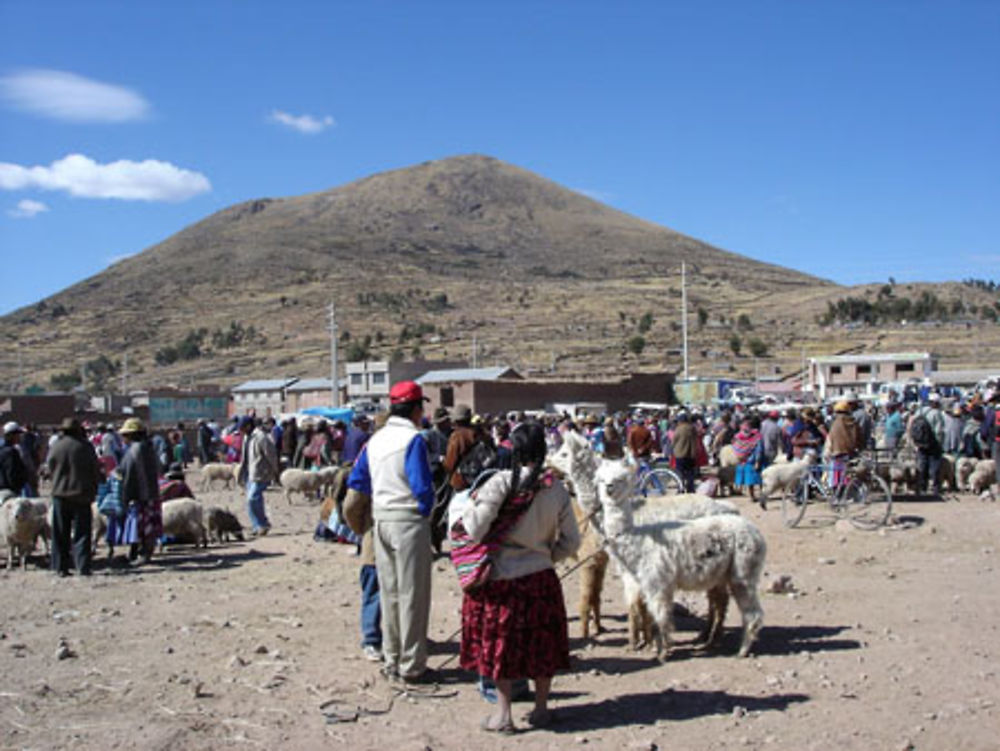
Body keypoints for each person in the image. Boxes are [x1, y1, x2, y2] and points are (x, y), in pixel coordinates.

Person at [459, 421, 581, 733]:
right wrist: (544, 556)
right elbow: (571, 541)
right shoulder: (555, 488)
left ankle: (504, 714)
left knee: (501, 647)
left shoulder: (500, 483)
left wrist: (467, 510)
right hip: (540, 578)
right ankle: (541, 709)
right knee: (542, 644)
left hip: (501, 580)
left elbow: (474, 529)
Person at [346, 380, 437, 684]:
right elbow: (422, 487)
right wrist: (425, 512)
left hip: (380, 519)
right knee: (413, 594)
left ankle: (392, 657)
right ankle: (412, 664)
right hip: (407, 519)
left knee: (390, 592)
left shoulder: (375, 440)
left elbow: (357, 481)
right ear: (415, 408)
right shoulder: (413, 439)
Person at [47, 417, 100, 576]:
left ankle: (60, 567)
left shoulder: (56, 447)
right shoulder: (85, 447)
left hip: (60, 495)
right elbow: (94, 470)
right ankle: (83, 566)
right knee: (82, 533)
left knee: (60, 533)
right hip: (81, 495)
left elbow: (49, 468)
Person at [115, 418, 162, 565]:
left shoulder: (136, 450)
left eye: (126, 435)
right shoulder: (148, 447)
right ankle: (139, 553)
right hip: (151, 492)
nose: (124, 438)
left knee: (142, 526)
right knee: (146, 526)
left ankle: (143, 554)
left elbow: (129, 474)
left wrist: (125, 495)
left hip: (141, 494)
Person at [238, 416, 280, 536]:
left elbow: (271, 454)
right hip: (249, 472)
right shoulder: (247, 438)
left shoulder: (261, 437)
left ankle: (263, 524)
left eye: (242, 428)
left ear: (248, 426)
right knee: (250, 500)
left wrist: (275, 470)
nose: (240, 431)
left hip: (260, 472)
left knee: (253, 498)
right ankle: (257, 526)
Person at [912, 394, 945, 496]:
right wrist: (940, 444)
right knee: (934, 466)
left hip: (920, 443)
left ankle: (922, 488)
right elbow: (939, 431)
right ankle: (935, 488)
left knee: (922, 465)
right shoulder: (936, 413)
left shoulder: (919, 411)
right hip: (932, 444)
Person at [827, 401, 863, 486]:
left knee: (836, 476)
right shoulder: (853, 421)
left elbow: (832, 438)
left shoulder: (836, 423)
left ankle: (838, 494)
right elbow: (859, 436)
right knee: (847, 474)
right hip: (850, 452)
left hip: (837, 452)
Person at [731, 416, 765, 506]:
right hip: (751, 460)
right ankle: (759, 495)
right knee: (757, 479)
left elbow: (735, 448)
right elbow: (759, 450)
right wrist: (758, 461)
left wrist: (740, 456)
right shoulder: (757, 437)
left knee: (750, 480)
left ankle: (752, 495)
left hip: (743, 461)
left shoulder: (738, 436)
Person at [0, 421, 29, 501]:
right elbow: (12, 473)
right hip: (9, 492)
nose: (19, 437)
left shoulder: (2, 450)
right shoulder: (11, 452)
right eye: (17, 434)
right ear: (10, 436)